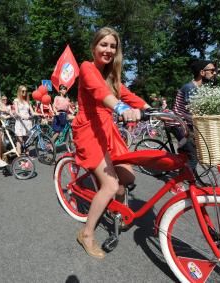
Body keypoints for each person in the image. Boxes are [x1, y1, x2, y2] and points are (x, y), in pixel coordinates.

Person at [72, 27, 150, 259]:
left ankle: (117, 212)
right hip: (90, 131)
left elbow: (126, 94)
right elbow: (99, 92)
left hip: (108, 131)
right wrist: (121, 107)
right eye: (103, 45)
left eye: (112, 46)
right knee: (110, 185)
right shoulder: (87, 67)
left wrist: (149, 109)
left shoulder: (112, 76)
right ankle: (86, 233)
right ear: (94, 47)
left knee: (126, 179)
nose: (108, 50)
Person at [171, 59, 216, 194]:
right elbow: (194, 111)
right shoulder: (190, 88)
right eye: (212, 70)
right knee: (193, 155)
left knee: (190, 153)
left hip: (187, 124)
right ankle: (176, 184)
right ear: (202, 72)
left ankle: (189, 178)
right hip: (179, 125)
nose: (214, 73)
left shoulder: (198, 88)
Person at [13, 85, 34, 155]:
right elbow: (16, 112)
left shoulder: (28, 101)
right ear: (19, 92)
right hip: (20, 122)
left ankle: (27, 155)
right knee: (20, 140)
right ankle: (19, 156)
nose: (24, 92)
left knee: (27, 140)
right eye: (23, 91)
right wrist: (24, 117)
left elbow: (32, 112)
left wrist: (41, 114)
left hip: (28, 122)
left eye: (26, 91)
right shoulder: (16, 100)